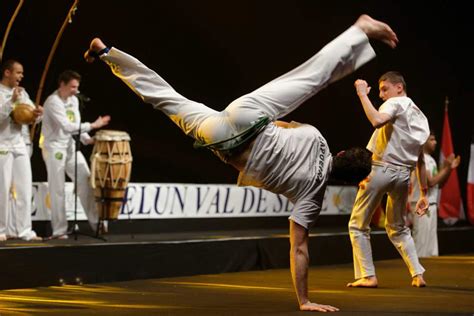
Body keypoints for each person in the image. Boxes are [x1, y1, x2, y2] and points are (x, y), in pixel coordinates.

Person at [84, 14, 398, 312]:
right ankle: (107, 54)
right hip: (224, 142)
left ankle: (359, 30)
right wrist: (304, 300)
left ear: (342, 154)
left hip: (248, 115)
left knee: (311, 77)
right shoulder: (311, 200)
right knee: (165, 98)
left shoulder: (316, 137)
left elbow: (285, 123)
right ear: (343, 182)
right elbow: (299, 249)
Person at [347, 71, 430, 289]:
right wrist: (424, 194)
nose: (382, 95)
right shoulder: (420, 117)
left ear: (399, 88)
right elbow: (420, 159)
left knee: (357, 224)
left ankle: (368, 275)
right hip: (403, 176)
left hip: (382, 169)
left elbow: (376, 120)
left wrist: (362, 94)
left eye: (385, 89)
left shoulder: (395, 104)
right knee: (398, 227)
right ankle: (417, 273)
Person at [41, 70, 110, 239]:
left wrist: (87, 139)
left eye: (77, 87)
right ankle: (59, 230)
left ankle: (97, 224)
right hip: (54, 148)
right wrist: (94, 125)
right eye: (72, 87)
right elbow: (66, 126)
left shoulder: (73, 100)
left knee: (86, 181)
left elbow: (76, 124)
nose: (75, 90)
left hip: (71, 147)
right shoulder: (53, 101)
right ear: (62, 84)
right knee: (57, 189)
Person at [0, 59, 43, 241]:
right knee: (2, 189)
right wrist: (11, 102)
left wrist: (37, 114)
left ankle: (25, 230)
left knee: (25, 188)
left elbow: (30, 115)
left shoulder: (22, 92)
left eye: (22, 73)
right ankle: (1, 230)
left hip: (19, 144)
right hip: (2, 145)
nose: (21, 76)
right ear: (7, 73)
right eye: (18, 72)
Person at [409, 132, 460, 257]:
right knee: (421, 244)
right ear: (424, 141)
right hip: (420, 205)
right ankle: (416, 274)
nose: (435, 142)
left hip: (431, 204)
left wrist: (449, 169)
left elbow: (439, 184)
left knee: (431, 248)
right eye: (432, 139)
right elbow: (430, 182)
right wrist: (447, 168)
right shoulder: (420, 158)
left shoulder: (431, 159)